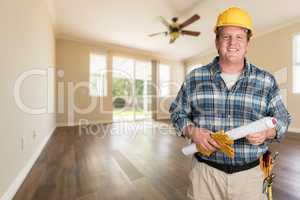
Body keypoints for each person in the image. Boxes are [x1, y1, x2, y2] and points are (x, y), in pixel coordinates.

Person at [169, 6, 291, 200]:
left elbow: (283, 118)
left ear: (248, 43)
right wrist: (192, 132)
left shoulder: (265, 80)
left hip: (251, 177)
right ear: (217, 42)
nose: (232, 43)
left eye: (239, 37)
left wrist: (268, 132)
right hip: (205, 175)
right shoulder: (195, 78)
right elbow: (176, 113)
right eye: (226, 36)